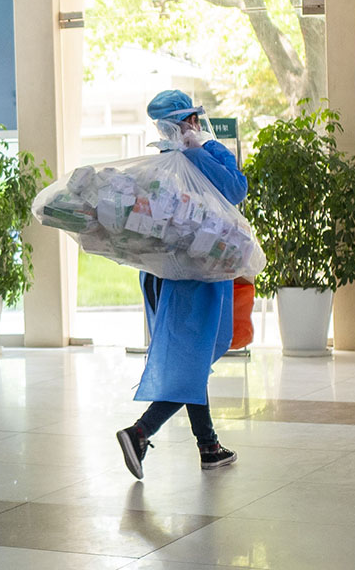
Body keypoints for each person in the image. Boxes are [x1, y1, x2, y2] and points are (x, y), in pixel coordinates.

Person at [116, 90, 247, 480]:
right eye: (182, 121)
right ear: (188, 120)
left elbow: (233, 189)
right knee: (193, 359)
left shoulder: (200, 156)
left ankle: (208, 446)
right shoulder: (169, 164)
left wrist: (197, 154)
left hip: (171, 277)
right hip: (194, 278)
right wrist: (196, 154)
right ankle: (141, 432)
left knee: (192, 357)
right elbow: (236, 192)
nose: (187, 127)